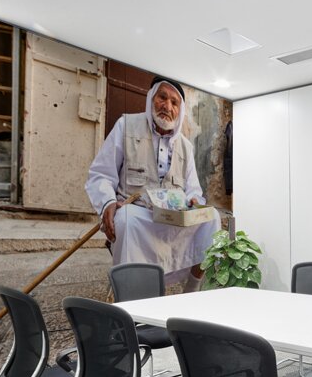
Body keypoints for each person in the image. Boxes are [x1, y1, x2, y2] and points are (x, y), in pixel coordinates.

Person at [85, 76, 221, 292]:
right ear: (151, 99)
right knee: (126, 220)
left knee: (211, 218)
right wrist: (108, 202)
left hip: (174, 218)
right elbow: (101, 173)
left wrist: (195, 201)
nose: (167, 106)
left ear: (180, 110)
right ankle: (133, 297)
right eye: (162, 98)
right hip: (140, 215)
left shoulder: (185, 146)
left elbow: (194, 189)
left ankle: (191, 292)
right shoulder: (126, 126)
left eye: (174, 103)